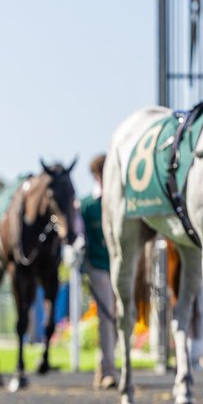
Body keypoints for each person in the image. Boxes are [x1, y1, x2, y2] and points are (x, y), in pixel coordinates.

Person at [77, 154, 118, 389]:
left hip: (117, 264)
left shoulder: (117, 200)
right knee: (107, 315)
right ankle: (109, 370)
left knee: (121, 317)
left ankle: (103, 364)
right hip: (98, 265)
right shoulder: (87, 205)